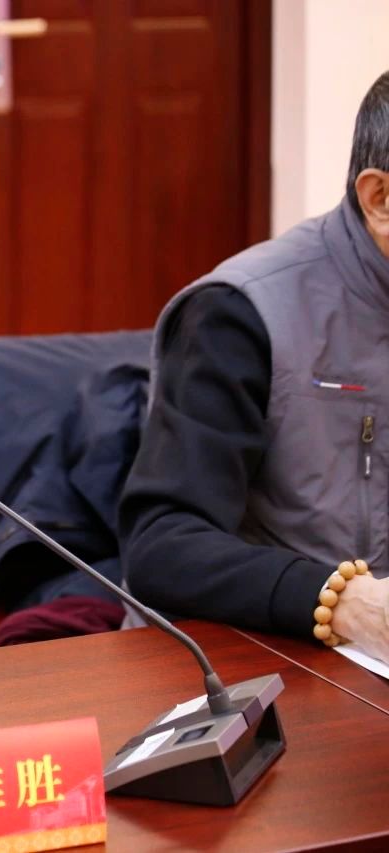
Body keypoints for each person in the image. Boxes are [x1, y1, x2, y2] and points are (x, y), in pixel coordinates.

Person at [120, 70, 389, 662]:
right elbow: (163, 548)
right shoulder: (239, 313)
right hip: (262, 656)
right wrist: (344, 601)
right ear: (379, 199)